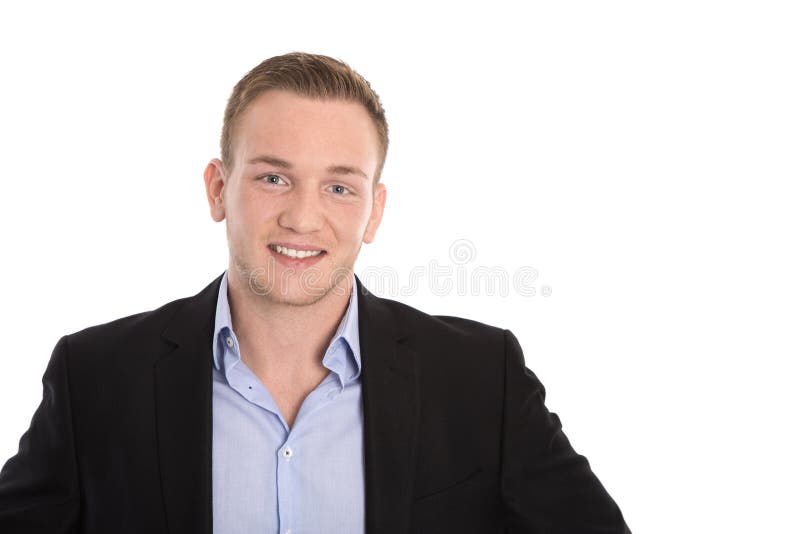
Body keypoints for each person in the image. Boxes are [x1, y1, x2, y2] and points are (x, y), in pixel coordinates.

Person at [0, 52, 631, 533]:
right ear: (218, 189)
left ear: (375, 212)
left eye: (339, 187)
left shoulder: (480, 377)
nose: (303, 218)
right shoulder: (97, 378)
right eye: (274, 177)